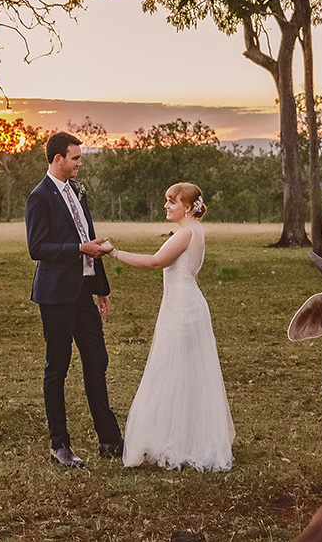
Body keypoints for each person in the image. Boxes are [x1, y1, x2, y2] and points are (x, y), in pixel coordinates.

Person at [108, 182, 234, 471]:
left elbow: (155, 263)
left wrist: (114, 253)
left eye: (172, 202)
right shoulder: (194, 231)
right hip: (187, 303)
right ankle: (184, 435)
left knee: (168, 370)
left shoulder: (187, 232)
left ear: (188, 207)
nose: (167, 206)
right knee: (185, 373)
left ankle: (171, 439)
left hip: (182, 308)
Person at [25, 131, 123, 467]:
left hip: (83, 292)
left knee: (97, 361)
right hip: (55, 296)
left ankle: (110, 440)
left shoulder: (77, 193)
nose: (80, 163)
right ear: (58, 159)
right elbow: (37, 248)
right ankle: (59, 446)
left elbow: (89, 240)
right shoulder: (40, 197)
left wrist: (102, 289)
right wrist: (79, 248)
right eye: (76, 158)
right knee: (58, 367)